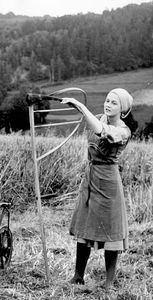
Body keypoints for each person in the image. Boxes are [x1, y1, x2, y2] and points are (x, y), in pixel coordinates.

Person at [62, 88, 133, 290]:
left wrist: (81, 107)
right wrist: (78, 107)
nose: (108, 104)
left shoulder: (123, 131)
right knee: (84, 227)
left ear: (123, 109)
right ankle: (78, 276)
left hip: (109, 182)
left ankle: (109, 283)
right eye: (107, 100)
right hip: (91, 177)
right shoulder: (101, 117)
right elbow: (96, 123)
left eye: (114, 103)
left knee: (111, 233)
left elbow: (101, 130)